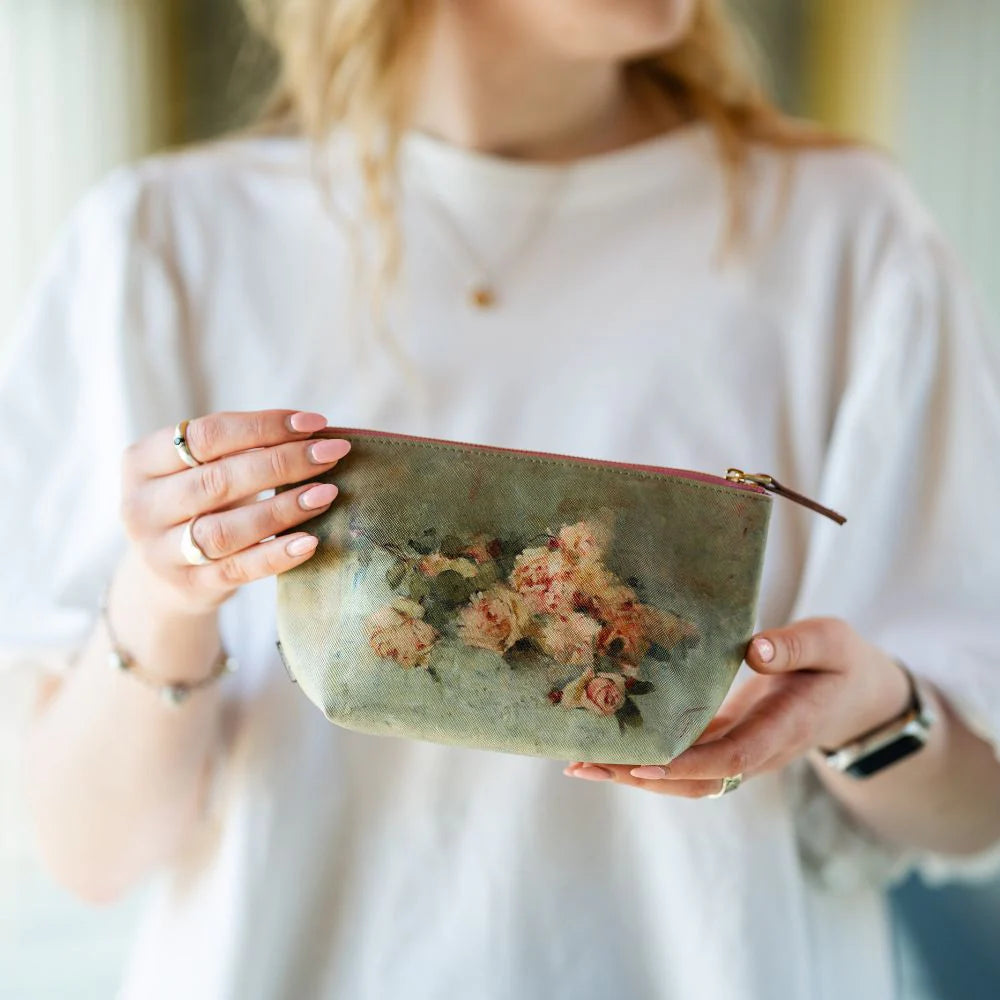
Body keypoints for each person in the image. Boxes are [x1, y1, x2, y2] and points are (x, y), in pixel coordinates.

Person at [3, 1, 1000, 998]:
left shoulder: (844, 232)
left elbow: (974, 808)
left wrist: (876, 715)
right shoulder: (161, 241)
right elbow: (91, 853)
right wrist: (165, 593)